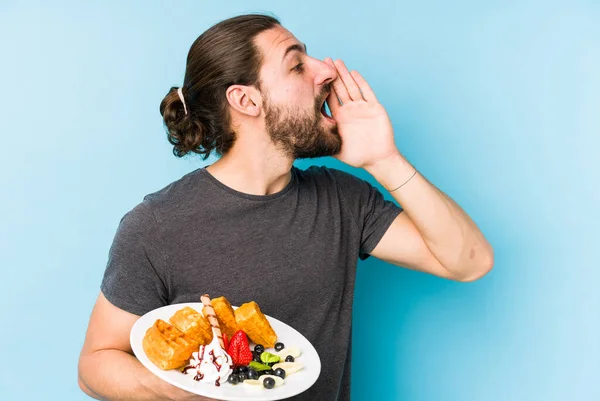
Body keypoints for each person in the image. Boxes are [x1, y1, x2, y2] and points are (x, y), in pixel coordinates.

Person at [77, 13, 493, 401]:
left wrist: (384, 160)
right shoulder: (156, 225)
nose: (326, 70)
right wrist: (191, 388)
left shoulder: (342, 199)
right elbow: (94, 364)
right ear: (246, 100)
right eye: (297, 66)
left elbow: (468, 262)